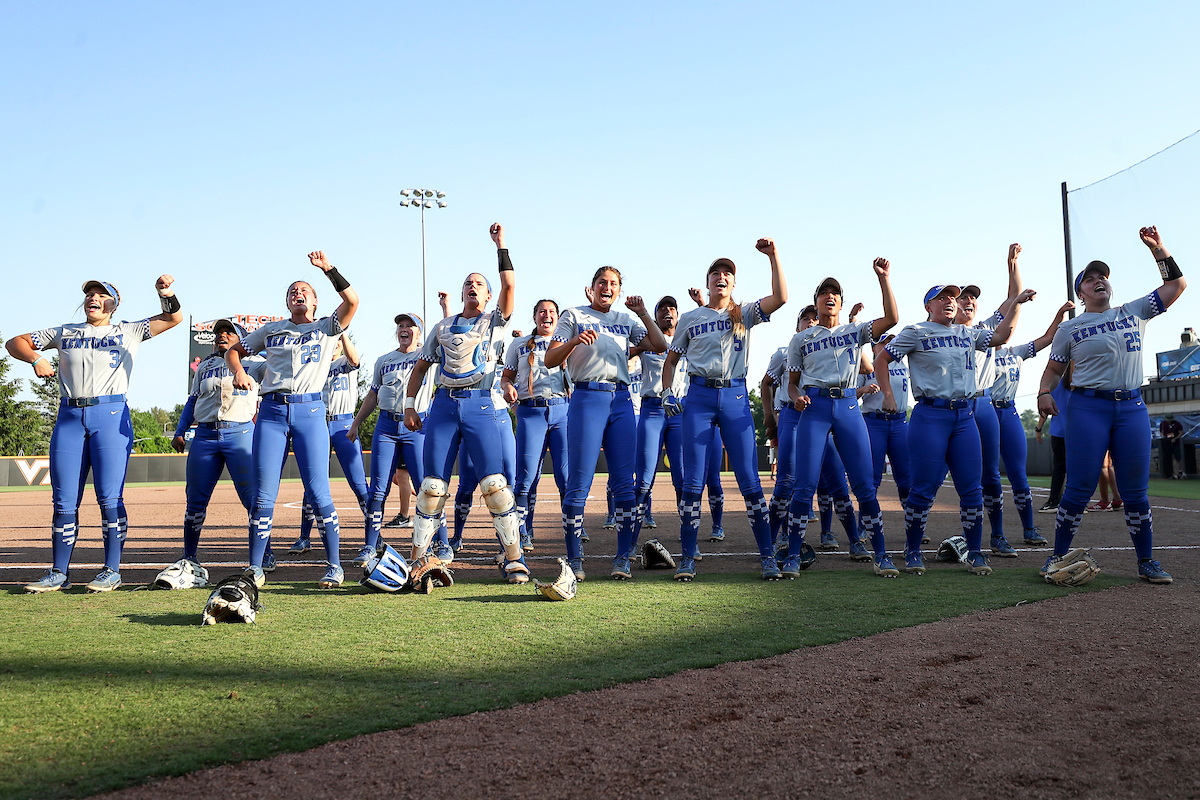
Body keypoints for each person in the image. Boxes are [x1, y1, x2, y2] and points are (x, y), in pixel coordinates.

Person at [14, 276, 183, 593]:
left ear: (113, 304)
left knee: (109, 497)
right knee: (63, 501)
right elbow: (15, 343)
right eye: (90, 293)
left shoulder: (128, 330)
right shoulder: (65, 332)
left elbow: (172, 318)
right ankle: (58, 572)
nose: (93, 297)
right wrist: (36, 357)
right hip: (69, 417)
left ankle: (112, 570)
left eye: (101, 294)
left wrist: (166, 292)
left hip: (110, 415)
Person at [1037, 225, 1185, 584]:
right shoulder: (1070, 329)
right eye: (1090, 279)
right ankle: (1056, 557)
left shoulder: (1132, 311)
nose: (1098, 280)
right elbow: (1053, 369)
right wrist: (1043, 393)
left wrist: (1159, 249)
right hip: (1089, 408)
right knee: (1080, 485)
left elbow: (1176, 286)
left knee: (1135, 489)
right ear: (1081, 292)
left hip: (1132, 407)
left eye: (1102, 276)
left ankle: (1146, 562)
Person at [876, 281, 1030, 576]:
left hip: (964, 416)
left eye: (953, 298)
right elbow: (883, 359)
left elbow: (1001, 335)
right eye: (942, 297)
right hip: (929, 416)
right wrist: (888, 393)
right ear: (928, 306)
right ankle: (913, 550)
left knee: (972, 488)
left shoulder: (967, 333)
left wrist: (1017, 303)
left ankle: (974, 552)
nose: (950, 301)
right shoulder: (916, 331)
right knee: (923, 490)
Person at [226, 251, 359, 589]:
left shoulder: (326, 327)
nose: (297, 294)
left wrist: (328, 269)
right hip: (271, 412)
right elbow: (232, 351)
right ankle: (255, 567)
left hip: (311, 411)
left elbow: (352, 301)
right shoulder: (271, 330)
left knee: (319, 491)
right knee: (263, 494)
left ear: (314, 301)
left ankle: (334, 565)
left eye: (304, 291)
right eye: (292, 292)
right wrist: (239, 371)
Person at [404, 224, 528, 582]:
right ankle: (418, 560)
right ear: (461, 293)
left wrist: (501, 244)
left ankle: (514, 559)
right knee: (432, 488)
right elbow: (421, 367)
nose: (472, 286)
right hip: (443, 407)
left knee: (494, 485)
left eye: (479, 284)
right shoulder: (442, 327)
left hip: (481, 405)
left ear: (488, 296)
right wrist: (411, 405)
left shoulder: (495, 322)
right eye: (467, 283)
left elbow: (510, 285)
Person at [661, 238, 788, 581]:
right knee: (692, 482)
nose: (721, 276)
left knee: (748, 479)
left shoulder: (743, 311)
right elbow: (671, 361)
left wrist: (773, 257)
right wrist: (667, 392)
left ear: (734, 283)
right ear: (707, 282)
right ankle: (688, 558)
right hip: (699, 398)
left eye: (727, 273)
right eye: (715, 272)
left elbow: (781, 298)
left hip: (734, 397)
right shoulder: (690, 318)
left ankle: (766, 556)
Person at [544, 267, 669, 581]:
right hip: (587, 399)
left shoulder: (625, 321)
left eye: (613, 284)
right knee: (579, 484)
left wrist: (642, 312)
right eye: (603, 282)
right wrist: (574, 341)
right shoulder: (573, 315)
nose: (607, 288)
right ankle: (575, 560)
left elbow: (660, 345)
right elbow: (549, 359)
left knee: (625, 484)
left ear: (619, 290)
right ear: (592, 286)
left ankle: (623, 557)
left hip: (621, 400)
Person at [784, 260, 899, 579]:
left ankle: (881, 554)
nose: (829, 297)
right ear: (816, 300)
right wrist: (795, 397)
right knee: (804, 485)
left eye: (835, 293)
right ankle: (793, 555)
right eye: (824, 293)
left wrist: (884, 280)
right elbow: (792, 382)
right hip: (815, 408)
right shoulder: (801, 339)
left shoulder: (854, 331)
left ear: (841, 302)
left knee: (864, 485)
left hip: (849, 406)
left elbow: (892, 318)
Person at [169, 318, 267, 572]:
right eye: (219, 333)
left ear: (242, 339)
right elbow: (192, 400)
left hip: (241, 432)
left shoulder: (254, 364)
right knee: (195, 499)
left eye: (229, 332)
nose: (221, 335)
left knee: (253, 498)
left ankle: (264, 554)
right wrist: (180, 431)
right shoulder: (205, 366)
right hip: (205, 435)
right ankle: (189, 555)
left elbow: (279, 377)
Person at [349, 312, 446, 564]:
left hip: (417, 427)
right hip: (386, 426)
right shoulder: (384, 360)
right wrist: (356, 424)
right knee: (378, 491)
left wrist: (445, 309)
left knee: (428, 488)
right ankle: (370, 545)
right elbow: (372, 396)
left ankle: (441, 542)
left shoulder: (429, 357)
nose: (404, 329)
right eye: (400, 326)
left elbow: (444, 336)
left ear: (420, 332)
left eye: (410, 326)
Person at [947, 245, 1024, 557]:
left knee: (991, 474)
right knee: (941, 475)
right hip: (951, 407)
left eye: (973, 298)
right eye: (963, 297)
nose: (970, 301)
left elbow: (1014, 297)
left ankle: (998, 535)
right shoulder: (939, 332)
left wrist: (1012, 264)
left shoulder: (985, 328)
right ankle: (918, 536)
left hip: (984, 404)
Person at [631, 294, 724, 550]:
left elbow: (712, 325)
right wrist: (642, 347)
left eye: (672, 308)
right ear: (655, 314)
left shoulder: (688, 336)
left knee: (683, 479)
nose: (667, 313)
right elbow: (625, 355)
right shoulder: (649, 339)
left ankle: (688, 542)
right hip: (651, 410)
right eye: (662, 309)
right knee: (644, 480)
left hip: (680, 411)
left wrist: (701, 302)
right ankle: (628, 544)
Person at [990, 301, 1074, 544]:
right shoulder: (979, 354)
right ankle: (997, 534)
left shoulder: (1016, 352)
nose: (1007, 329)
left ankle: (1029, 529)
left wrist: (1059, 314)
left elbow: (1049, 337)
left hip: (1009, 412)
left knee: (1019, 475)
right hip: (986, 412)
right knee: (991, 476)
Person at [290, 332, 370, 559]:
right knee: (312, 485)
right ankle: (305, 537)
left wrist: (341, 334)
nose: (334, 345)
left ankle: (374, 539)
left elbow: (355, 360)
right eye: (331, 342)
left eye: (338, 342)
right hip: (317, 425)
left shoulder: (346, 362)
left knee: (359, 484)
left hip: (344, 424)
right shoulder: (317, 367)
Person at [501, 299, 570, 553]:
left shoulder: (567, 342)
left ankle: (572, 531)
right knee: (527, 477)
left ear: (559, 318)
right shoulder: (519, 345)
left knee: (566, 477)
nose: (547, 315)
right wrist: (508, 388)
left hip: (563, 410)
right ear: (535, 317)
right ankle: (522, 531)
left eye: (552, 312)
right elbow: (506, 377)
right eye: (542, 311)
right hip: (531, 411)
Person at [1036, 362, 1072, 513]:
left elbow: (1045, 410)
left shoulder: (1055, 385)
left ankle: (1053, 501)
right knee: (1074, 468)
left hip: (1058, 433)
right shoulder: (1080, 386)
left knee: (1059, 468)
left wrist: (1038, 428)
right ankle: (1074, 502)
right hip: (1076, 433)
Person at [1160, 413, 1185, 479]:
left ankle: (1179, 471)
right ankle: (1169, 473)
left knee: (1178, 457)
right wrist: (1164, 438)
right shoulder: (1163, 424)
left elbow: (1180, 433)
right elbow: (1161, 432)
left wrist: (1175, 438)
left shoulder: (1177, 424)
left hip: (1176, 442)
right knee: (1167, 457)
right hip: (1167, 443)